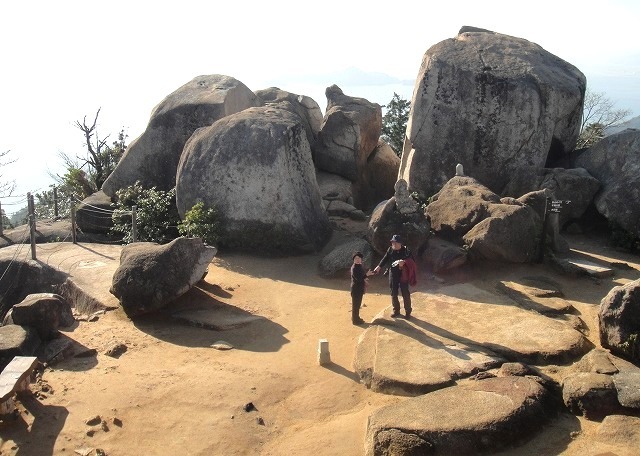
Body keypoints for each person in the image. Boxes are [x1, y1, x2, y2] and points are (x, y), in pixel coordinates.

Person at [373, 234, 413, 319]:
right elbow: (385, 258)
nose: (393, 244)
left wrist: (404, 262)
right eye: (392, 242)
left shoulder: (406, 250)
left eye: (395, 243)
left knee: (405, 292)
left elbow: (412, 261)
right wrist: (379, 267)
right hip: (393, 272)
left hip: (403, 274)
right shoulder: (390, 249)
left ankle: (408, 312)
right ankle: (396, 311)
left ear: (400, 243)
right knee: (393, 292)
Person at [350, 251, 374, 325]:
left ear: (361, 259)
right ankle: (355, 320)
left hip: (359, 288)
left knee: (357, 304)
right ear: (353, 260)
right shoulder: (354, 268)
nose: (357, 259)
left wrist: (365, 277)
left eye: (359, 258)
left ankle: (356, 318)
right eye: (356, 258)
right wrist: (366, 275)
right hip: (356, 289)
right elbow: (358, 278)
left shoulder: (359, 266)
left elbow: (361, 276)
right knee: (356, 305)